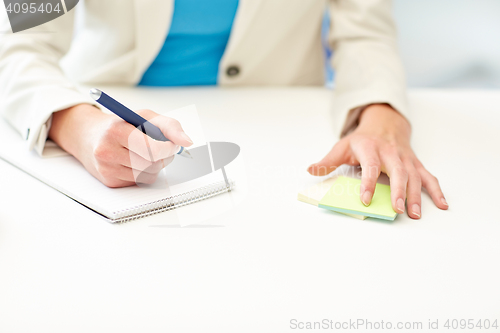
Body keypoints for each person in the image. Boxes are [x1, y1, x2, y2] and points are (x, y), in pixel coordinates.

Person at [0, 0, 448, 219]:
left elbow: (364, 33)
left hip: (284, 130)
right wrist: (75, 123)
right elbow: (15, 38)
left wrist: (380, 112)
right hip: (105, 122)